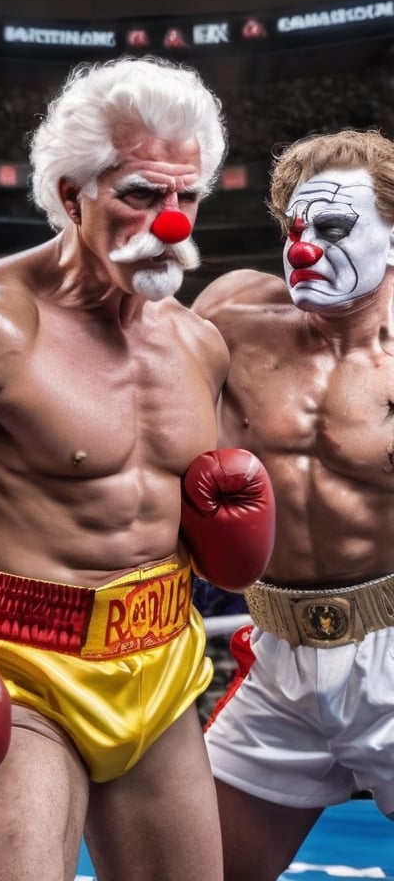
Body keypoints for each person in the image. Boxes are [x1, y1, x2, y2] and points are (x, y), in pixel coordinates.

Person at [0, 56, 276, 881]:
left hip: (162, 663)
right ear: (69, 194)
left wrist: (229, 541)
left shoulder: (199, 344)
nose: (170, 223)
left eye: (186, 196)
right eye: (139, 194)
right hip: (19, 674)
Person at [193, 127, 394, 881]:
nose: (304, 247)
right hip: (279, 662)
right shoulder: (232, 318)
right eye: (295, 227)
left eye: (335, 227)